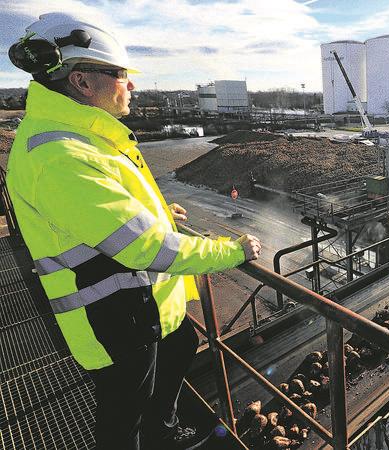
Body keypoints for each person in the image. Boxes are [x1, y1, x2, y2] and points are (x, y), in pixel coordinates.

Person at [6, 12, 262, 450]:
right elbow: (145, 246)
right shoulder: (58, 155)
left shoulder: (81, 136)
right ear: (83, 82)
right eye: (121, 75)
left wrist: (159, 212)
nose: (132, 85)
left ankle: (164, 431)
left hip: (137, 304)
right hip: (110, 315)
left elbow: (109, 207)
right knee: (124, 413)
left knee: (181, 345)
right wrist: (232, 250)